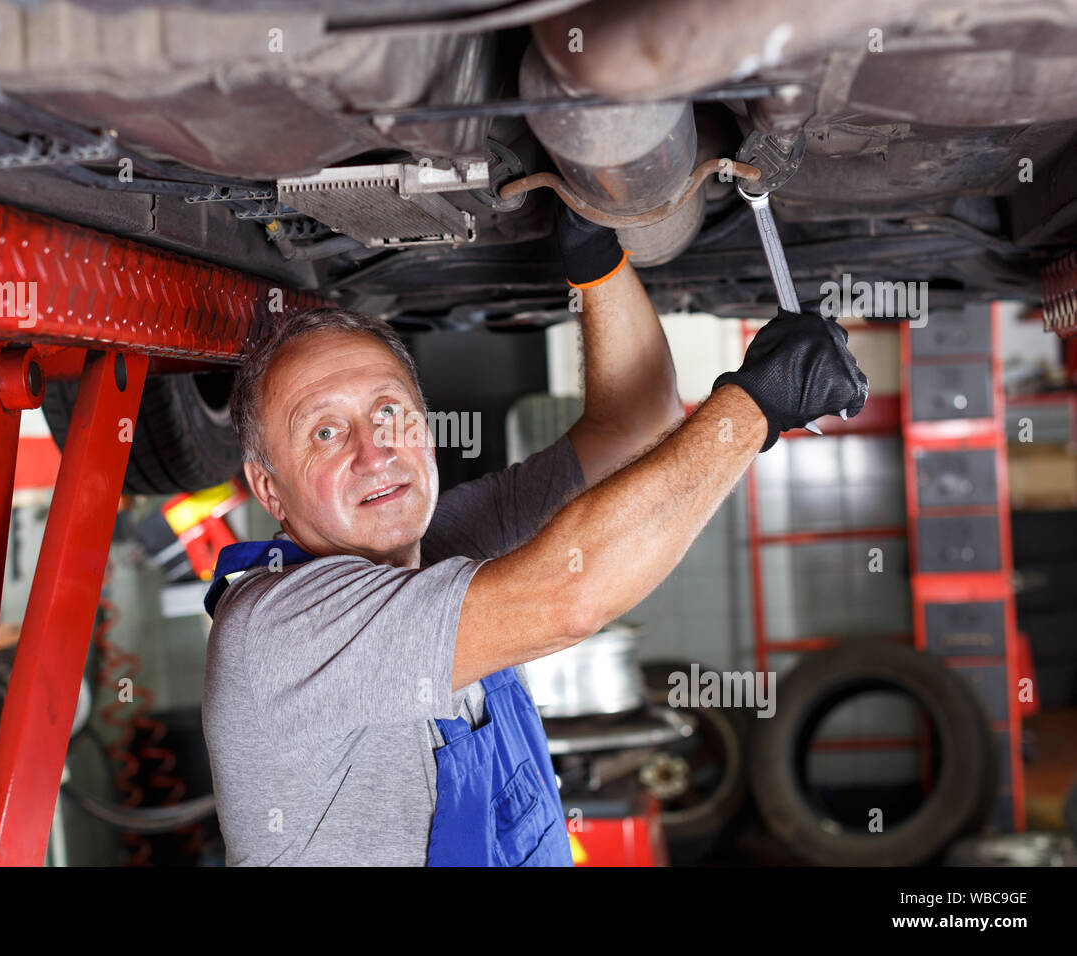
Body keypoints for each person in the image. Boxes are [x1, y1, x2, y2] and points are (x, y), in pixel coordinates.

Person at [200, 203, 868, 866]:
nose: (375, 452)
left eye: (388, 412)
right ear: (268, 490)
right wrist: (755, 406)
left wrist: (595, 252)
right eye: (325, 432)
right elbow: (568, 599)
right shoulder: (279, 628)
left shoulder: (446, 549)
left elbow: (635, 430)